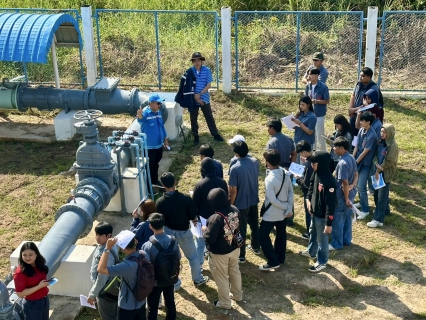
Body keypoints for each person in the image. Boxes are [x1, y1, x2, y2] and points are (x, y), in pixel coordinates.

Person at [155, 172, 209, 289]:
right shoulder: (185, 198)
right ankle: (197, 278)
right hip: (184, 232)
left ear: (163, 185)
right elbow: (192, 215)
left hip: (168, 232)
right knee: (193, 257)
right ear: (175, 182)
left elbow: (160, 218)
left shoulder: (159, 202)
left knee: (171, 258)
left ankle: (175, 283)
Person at [203, 188, 243, 309]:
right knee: (234, 271)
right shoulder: (235, 209)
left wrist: (204, 231)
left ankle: (225, 303)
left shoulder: (216, 218)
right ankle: (237, 295)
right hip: (235, 248)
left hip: (220, 254)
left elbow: (210, 239)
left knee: (221, 278)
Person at [299, 151, 336, 272]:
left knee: (322, 239)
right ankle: (311, 251)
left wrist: (328, 223)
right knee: (312, 232)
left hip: (322, 216)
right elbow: (311, 186)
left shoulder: (329, 181)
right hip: (314, 212)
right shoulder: (316, 173)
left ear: (321, 164)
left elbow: (331, 205)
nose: (311, 166)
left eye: (314, 164)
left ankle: (322, 261)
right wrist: (308, 200)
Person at [258, 149, 293, 270]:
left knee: (262, 235)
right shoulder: (285, 173)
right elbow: (290, 192)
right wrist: (288, 207)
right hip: (283, 214)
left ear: (267, 162)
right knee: (281, 234)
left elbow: (272, 200)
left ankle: (273, 261)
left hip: (272, 213)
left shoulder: (269, 179)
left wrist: (285, 207)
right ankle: (280, 257)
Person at [98, 235, 147, 320]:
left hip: (128, 305)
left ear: (123, 248)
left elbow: (101, 269)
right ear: (135, 241)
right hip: (141, 300)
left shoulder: (126, 266)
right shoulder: (143, 254)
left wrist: (107, 248)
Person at [193, 157, 228, 271]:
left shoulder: (200, 184)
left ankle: (198, 265)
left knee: (200, 242)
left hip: (204, 217)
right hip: (220, 216)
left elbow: (195, 203)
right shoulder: (222, 182)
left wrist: (194, 217)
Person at [141, 213, 179, 320]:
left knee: (152, 307)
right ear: (163, 225)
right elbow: (178, 257)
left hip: (155, 282)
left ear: (150, 226)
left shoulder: (147, 245)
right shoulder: (173, 241)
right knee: (170, 303)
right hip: (170, 277)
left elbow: (145, 266)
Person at [228, 140, 260, 263]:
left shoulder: (235, 168)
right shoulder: (255, 162)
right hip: (253, 199)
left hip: (240, 203)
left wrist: (231, 204)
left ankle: (241, 255)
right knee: (254, 225)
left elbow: (233, 190)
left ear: (236, 153)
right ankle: (256, 247)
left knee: (240, 229)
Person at [188, 52, 224, 145]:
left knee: (209, 116)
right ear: (192, 62)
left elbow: (208, 85)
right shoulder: (190, 72)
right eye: (195, 61)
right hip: (193, 98)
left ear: (202, 61)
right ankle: (195, 136)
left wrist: (200, 95)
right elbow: (188, 87)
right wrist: (195, 97)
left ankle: (215, 134)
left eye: (198, 60)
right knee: (193, 118)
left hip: (204, 97)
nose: (197, 63)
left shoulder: (207, 70)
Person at [329, 137, 358, 251]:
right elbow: (356, 174)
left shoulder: (342, 163)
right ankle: (346, 239)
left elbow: (344, 183)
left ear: (341, 148)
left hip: (342, 196)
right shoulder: (351, 157)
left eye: (335, 147)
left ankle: (337, 243)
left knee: (338, 219)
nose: (333, 149)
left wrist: (346, 198)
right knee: (347, 218)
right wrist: (353, 185)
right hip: (350, 193)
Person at [367, 124, 399, 228]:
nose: (382, 134)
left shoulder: (393, 146)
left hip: (385, 174)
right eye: (381, 132)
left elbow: (390, 160)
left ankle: (378, 219)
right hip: (378, 171)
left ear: (389, 133)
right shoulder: (381, 143)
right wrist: (376, 164)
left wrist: (380, 168)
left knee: (381, 197)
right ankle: (385, 211)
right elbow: (376, 155)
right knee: (377, 195)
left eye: (384, 132)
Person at [87, 222, 118, 320]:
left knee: (108, 316)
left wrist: (93, 294)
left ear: (109, 236)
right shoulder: (107, 246)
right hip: (106, 288)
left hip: (104, 291)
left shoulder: (107, 255)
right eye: (96, 234)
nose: (97, 237)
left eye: (100, 235)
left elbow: (102, 277)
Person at [136, 94, 169, 186]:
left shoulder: (158, 113)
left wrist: (165, 139)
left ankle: (154, 181)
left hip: (159, 145)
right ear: (151, 103)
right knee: (149, 167)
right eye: (158, 103)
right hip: (149, 147)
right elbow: (141, 120)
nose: (160, 105)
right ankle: (148, 185)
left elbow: (162, 127)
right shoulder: (146, 113)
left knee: (156, 164)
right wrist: (139, 116)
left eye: (160, 103)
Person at [14, 242, 50, 320]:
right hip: (32, 305)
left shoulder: (40, 266)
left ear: (36, 254)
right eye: (24, 255)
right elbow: (20, 294)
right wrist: (39, 286)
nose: (27, 258)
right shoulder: (20, 273)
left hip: (44, 300)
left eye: (30, 255)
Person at [352, 111, 378, 220]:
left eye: (363, 121)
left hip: (366, 164)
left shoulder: (372, 135)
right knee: (358, 185)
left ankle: (365, 210)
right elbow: (357, 146)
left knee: (362, 186)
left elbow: (365, 151)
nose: (360, 122)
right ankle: (362, 203)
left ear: (368, 122)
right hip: (358, 161)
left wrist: (356, 162)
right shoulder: (361, 130)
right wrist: (352, 159)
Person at [348, 67, 381, 137]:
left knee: (360, 135)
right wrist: (351, 109)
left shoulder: (373, 89)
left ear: (369, 77)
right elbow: (353, 95)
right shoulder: (358, 84)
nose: (360, 77)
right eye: (360, 75)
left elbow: (369, 105)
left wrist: (353, 110)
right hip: (354, 115)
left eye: (363, 76)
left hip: (363, 117)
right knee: (352, 135)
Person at [304, 68, 330, 152]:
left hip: (319, 114)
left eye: (311, 74)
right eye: (308, 74)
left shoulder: (323, 87)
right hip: (309, 114)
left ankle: (323, 152)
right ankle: (313, 151)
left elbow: (327, 100)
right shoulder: (308, 86)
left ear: (316, 75)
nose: (309, 76)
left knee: (320, 135)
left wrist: (316, 101)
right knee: (311, 134)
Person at [295, 140, 314, 240]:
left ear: (303, 152)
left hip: (309, 193)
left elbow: (305, 184)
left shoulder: (309, 165)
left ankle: (310, 233)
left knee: (309, 212)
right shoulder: (316, 156)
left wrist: (297, 178)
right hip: (318, 190)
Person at [292, 96, 317, 163]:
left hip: (306, 144)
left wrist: (300, 123)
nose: (301, 106)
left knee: (304, 164)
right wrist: (294, 120)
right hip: (297, 141)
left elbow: (310, 132)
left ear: (308, 105)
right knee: (297, 163)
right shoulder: (300, 114)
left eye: (303, 105)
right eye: (300, 104)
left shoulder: (312, 117)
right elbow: (294, 127)